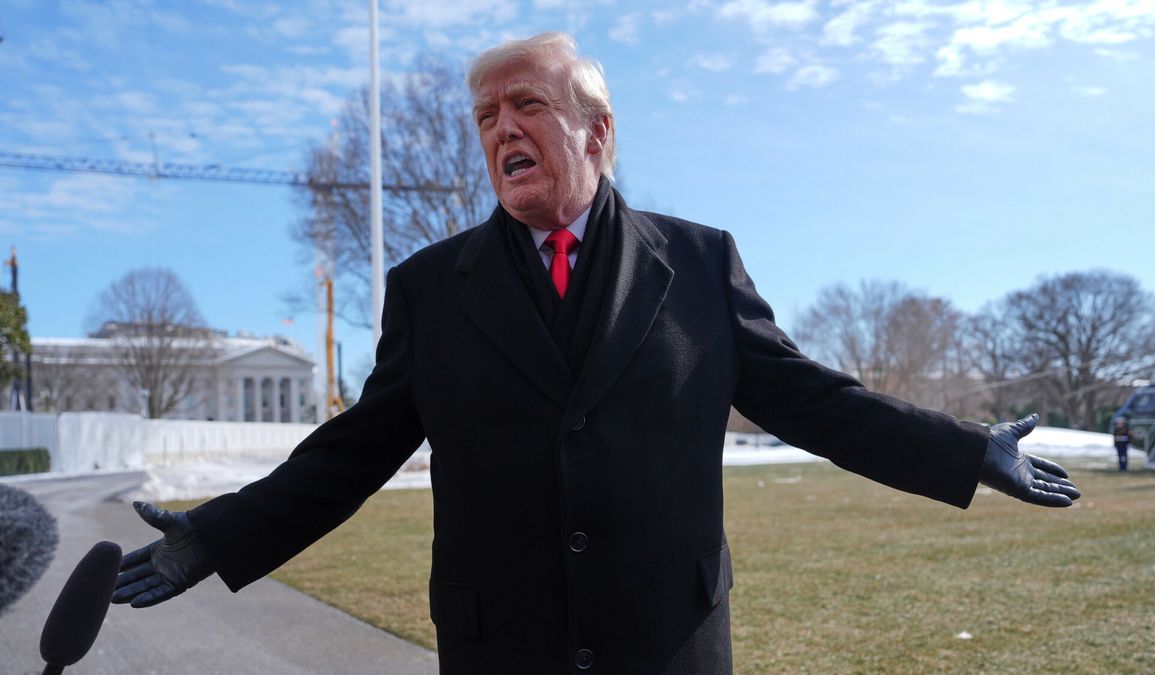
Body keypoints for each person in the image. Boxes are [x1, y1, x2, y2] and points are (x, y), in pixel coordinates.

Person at [111, 32, 1080, 674]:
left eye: (523, 105)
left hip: (669, 640)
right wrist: (219, 537)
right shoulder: (428, 289)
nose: (500, 131)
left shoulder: (699, 264)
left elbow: (811, 400)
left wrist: (964, 448)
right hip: (501, 647)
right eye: (485, 118)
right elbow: (353, 451)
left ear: (598, 131)